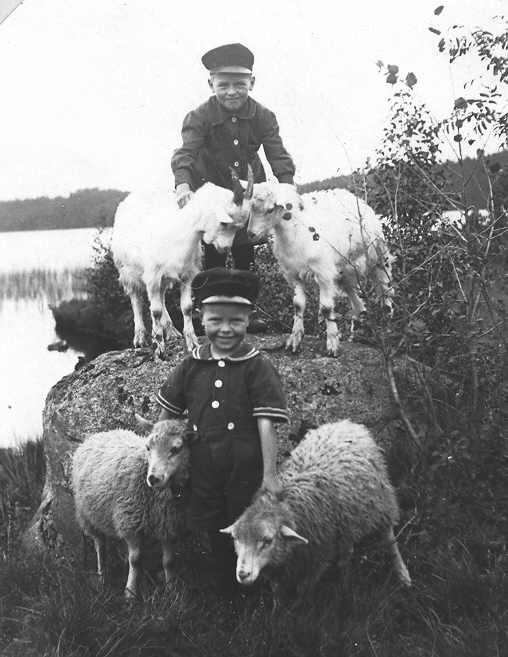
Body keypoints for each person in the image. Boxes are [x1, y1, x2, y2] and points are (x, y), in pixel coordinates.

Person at [156, 268, 288, 587]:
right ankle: (218, 591)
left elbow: (266, 422)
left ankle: (249, 591)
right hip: (203, 467)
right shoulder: (191, 364)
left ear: (248, 320)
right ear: (201, 318)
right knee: (210, 525)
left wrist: (269, 473)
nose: (225, 330)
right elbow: (167, 415)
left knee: (244, 525)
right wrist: (160, 458)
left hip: (245, 467)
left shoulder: (257, 366)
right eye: (216, 320)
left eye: (236, 321)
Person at [172, 42, 296, 273]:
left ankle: (247, 304)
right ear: (211, 84)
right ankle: (208, 304)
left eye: (239, 84)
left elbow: (277, 154)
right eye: (223, 85)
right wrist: (182, 185)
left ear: (252, 83)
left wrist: (287, 188)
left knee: (245, 253)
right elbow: (185, 154)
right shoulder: (198, 117)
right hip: (212, 192)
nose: (231, 91)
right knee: (213, 254)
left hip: (249, 195)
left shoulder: (264, 116)